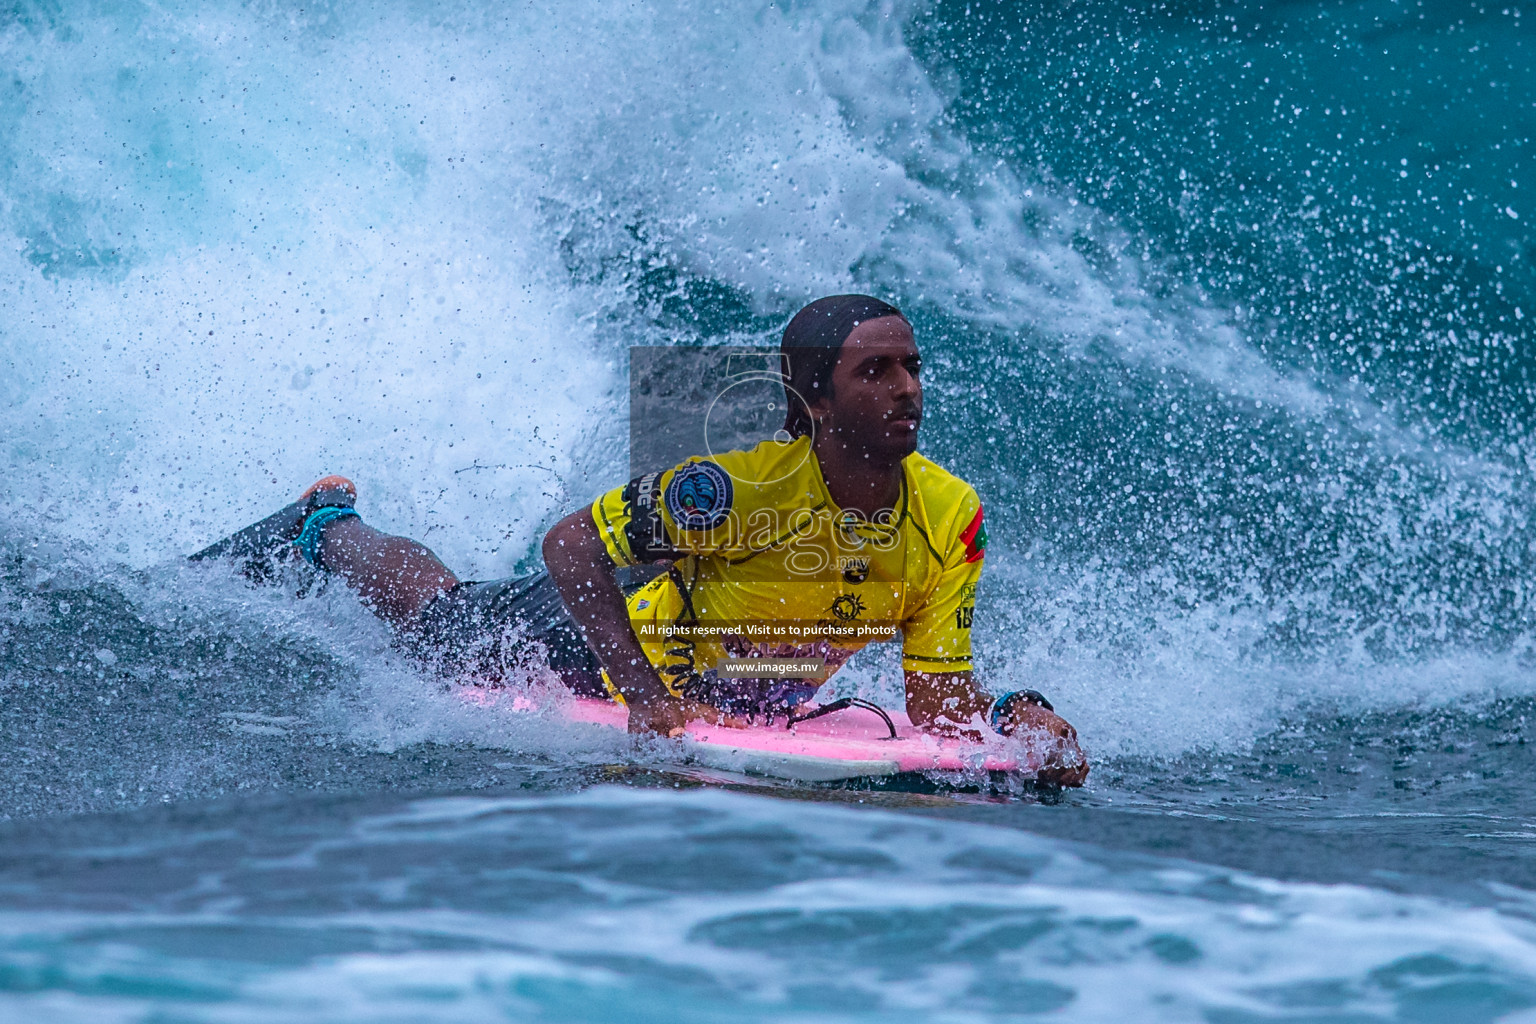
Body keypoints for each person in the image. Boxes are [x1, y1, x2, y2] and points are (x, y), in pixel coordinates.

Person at [195, 295, 1087, 785]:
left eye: (913, 367)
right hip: (586, 638)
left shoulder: (949, 516)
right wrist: (643, 693)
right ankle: (325, 524)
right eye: (876, 371)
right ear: (813, 401)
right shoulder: (736, 490)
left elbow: (938, 713)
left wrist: (1018, 719)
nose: (906, 389)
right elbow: (570, 543)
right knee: (440, 620)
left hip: (746, 695)